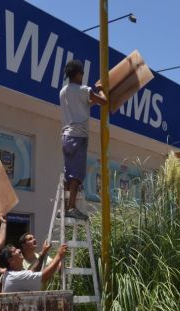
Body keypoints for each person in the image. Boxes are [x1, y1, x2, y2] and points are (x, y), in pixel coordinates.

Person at [59, 59, 107, 219]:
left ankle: (65, 208)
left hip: (66, 136)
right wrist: (101, 90)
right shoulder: (83, 90)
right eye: (82, 74)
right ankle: (71, 207)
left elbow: (85, 105)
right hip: (79, 136)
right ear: (78, 73)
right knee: (77, 176)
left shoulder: (64, 91)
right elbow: (104, 101)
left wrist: (92, 99)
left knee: (69, 175)